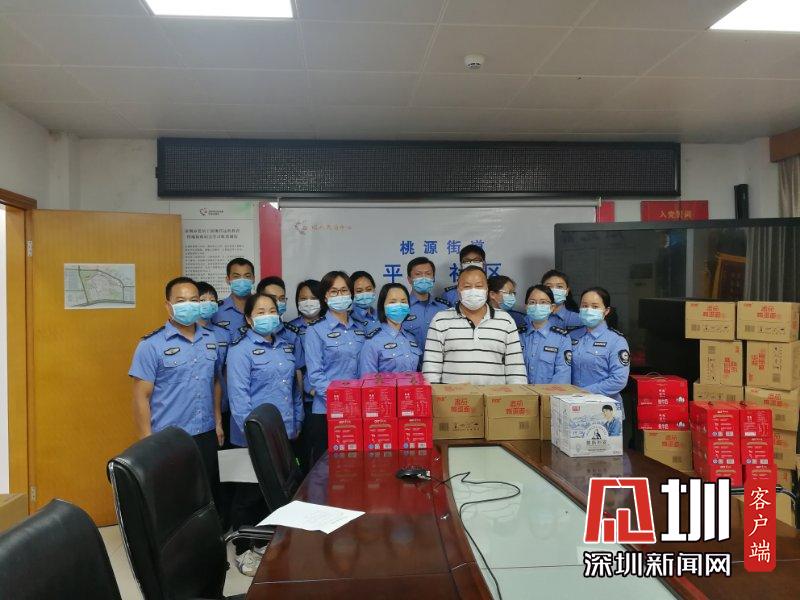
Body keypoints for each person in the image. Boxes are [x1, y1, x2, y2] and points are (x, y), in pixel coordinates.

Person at [129, 277, 224, 513]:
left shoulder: (210, 339)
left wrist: (218, 422)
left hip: (205, 432)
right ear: (168, 305)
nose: (188, 305)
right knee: (174, 500)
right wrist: (147, 442)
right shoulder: (151, 345)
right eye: (181, 301)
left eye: (194, 300)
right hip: (168, 437)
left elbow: (215, 381)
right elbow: (140, 397)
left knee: (206, 494)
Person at [226, 292, 303, 576]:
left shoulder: (284, 347)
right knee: (248, 496)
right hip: (251, 438)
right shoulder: (240, 351)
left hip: (282, 434)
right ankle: (243, 550)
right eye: (260, 312)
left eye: (272, 310)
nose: (268, 315)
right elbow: (239, 399)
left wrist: (296, 421)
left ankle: (264, 543)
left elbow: (294, 390)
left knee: (273, 493)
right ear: (248, 319)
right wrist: (254, 438)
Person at [303, 271, 368, 465]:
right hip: (327, 412)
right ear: (325, 296)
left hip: (359, 411)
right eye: (334, 291)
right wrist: (341, 403)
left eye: (344, 290)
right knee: (327, 470)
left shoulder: (359, 329)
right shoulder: (315, 330)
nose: (340, 295)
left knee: (356, 466)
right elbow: (316, 375)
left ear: (351, 294)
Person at [423, 266, 527, 384]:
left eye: (479, 286)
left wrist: (517, 393)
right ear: (458, 291)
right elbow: (431, 368)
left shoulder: (506, 320)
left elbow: (516, 368)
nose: (473, 291)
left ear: (487, 290)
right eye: (467, 286)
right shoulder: (440, 320)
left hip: (495, 395)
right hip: (452, 395)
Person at [569, 287, 630, 409]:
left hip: (604, 408)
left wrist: (584, 393)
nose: (588, 310)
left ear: (606, 311)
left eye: (595, 306)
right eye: (584, 306)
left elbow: (618, 380)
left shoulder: (616, 341)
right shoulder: (572, 336)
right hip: (573, 405)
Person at [359, 283, 422, 375]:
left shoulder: (411, 338)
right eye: (393, 302)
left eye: (403, 302)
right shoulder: (372, 342)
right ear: (383, 306)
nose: (399, 306)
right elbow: (368, 380)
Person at [520, 285, 571, 385]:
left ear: (552, 307)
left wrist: (543, 394)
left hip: (550, 394)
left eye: (543, 302)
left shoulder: (562, 338)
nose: (537, 306)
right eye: (532, 302)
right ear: (526, 307)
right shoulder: (517, 335)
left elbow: (562, 376)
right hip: (520, 393)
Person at [403, 257, 448, 351]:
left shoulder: (444, 308)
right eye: (418, 274)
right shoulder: (401, 308)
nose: (424, 278)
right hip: (413, 360)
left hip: (439, 359)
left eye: (428, 274)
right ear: (409, 279)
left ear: (433, 278)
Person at [212, 258, 255, 336]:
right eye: (236, 276)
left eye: (247, 276)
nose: (242, 281)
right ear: (228, 280)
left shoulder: (264, 307)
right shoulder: (215, 309)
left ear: (253, 279)